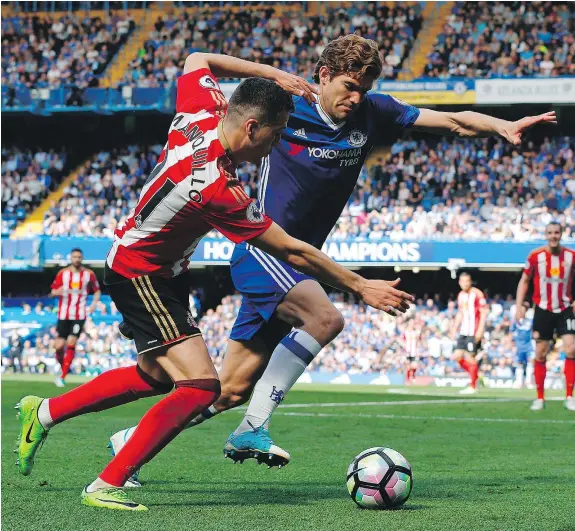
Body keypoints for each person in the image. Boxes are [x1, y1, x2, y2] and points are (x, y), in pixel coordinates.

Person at [110, 34, 557, 473]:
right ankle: (255, 427)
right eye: (349, 86)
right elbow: (204, 73)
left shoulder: (373, 112)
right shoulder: (286, 110)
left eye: (364, 89)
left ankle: (129, 442)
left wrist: (501, 125)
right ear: (323, 76)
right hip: (266, 248)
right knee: (326, 319)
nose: (357, 97)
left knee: (228, 389)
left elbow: (452, 122)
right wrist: (270, 73)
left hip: (303, 259)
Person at [15, 52, 413, 512]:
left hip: (159, 270)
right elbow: (292, 250)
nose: (277, 145)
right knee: (202, 386)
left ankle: (43, 412)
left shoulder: (201, 112)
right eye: (277, 135)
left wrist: (273, 75)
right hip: (140, 272)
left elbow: (196, 58)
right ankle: (107, 483)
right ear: (251, 129)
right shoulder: (217, 188)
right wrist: (361, 286)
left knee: (155, 377)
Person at [515, 221, 575, 411]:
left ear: (561, 234)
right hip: (542, 309)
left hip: (566, 308)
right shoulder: (535, 256)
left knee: (572, 349)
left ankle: (569, 396)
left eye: (556, 232)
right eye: (550, 233)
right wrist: (519, 306)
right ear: (545, 235)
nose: (553, 236)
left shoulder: (571, 256)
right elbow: (524, 281)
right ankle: (540, 398)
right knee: (541, 353)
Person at [50, 248, 101, 387]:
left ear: (82, 258)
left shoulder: (89, 274)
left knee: (72, 342)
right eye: (74, 257)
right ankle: (64, 368)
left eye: (79, 257)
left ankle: (62, 376)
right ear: (71, 258)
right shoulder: (63, 274)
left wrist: (93, 304)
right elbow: (52, 291)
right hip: (63, 314)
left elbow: (97, 291)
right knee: (58, 346)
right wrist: (56, 292)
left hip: (79, 314)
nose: (77, 259)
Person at [450, 272, 489, 395]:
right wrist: (454, 327)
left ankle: (472, 386)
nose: (465, 283)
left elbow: (483, 313)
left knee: (470, 358)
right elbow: (461, 312)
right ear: (460, 282)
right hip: (464, 331)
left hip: (474, 331)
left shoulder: (477, 294)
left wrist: (480, 331)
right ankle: (477, 375)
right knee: (457, 356)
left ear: (470, 282)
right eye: (463, 281)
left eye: (467, 281)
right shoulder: (461, 295)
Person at [511, 301, 534, 388]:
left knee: (530, 362)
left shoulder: (530, 321)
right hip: (519, 345)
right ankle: (519, 381)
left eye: (524, 310)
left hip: (529, 345)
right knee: (519, 363)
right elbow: (511, 332)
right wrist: (512, 344)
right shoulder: (516, 322)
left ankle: (528, 381)